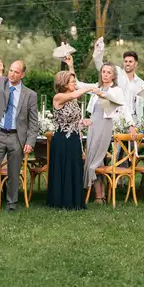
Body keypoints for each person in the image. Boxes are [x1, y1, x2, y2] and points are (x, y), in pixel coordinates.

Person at [64, 55, 136, 204]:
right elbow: (77, 85)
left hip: (105, 124)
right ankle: (100, 195)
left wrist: (131, 124)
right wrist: (71, 65)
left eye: (109, 72)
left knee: (97, 159)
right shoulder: (96, 87)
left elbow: (124, 107)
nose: (105, 74)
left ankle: (98, 195)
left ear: (114, 75)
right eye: (104, 72)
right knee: (95, 158)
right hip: (93, 125)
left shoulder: (116, 90)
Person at [0, 60, 39, 211]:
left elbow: (34, 122)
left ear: (22, 74)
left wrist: (30, 142)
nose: (12, 74)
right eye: (11, 71)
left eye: (16, 72)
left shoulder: (30, 95)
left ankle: (11, 204)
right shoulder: (1, 82)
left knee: (14, 174)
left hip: (17, 137)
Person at [47, 71, 94, 209]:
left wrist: (82, 122)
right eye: (72, 81)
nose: (74, 83)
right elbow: (74, 94)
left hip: (73, 138)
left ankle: (74, 200)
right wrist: (90, 88)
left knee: (73, 168)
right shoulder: (58, 97)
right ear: (64, 83)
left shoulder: (73, 100)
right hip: (62, 139)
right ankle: (61, 201)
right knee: (63, 168)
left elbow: (74, 120)